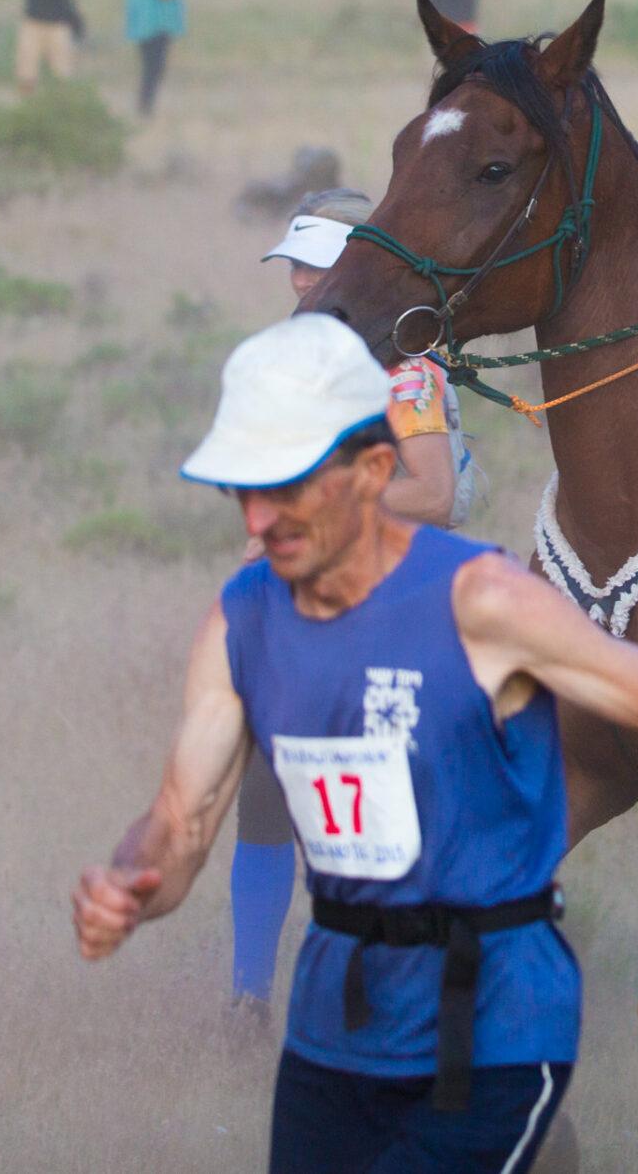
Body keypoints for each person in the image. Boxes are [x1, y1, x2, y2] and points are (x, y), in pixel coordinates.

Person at [73, 314, 638, 1173]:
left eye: (287, 486)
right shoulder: (243, 616)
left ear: (376, 470)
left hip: (491, 1025)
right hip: (333, 1028)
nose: (258, 517)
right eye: (242, 489)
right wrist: (131, 881)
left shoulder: (481, 601)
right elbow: (181, 819)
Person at [221, 189, 494, 1017]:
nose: (300, 280)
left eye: (315, 262)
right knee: (267, 794)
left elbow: (436, 494)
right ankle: (247, 1000)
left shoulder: (407, 368)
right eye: (295, 264)